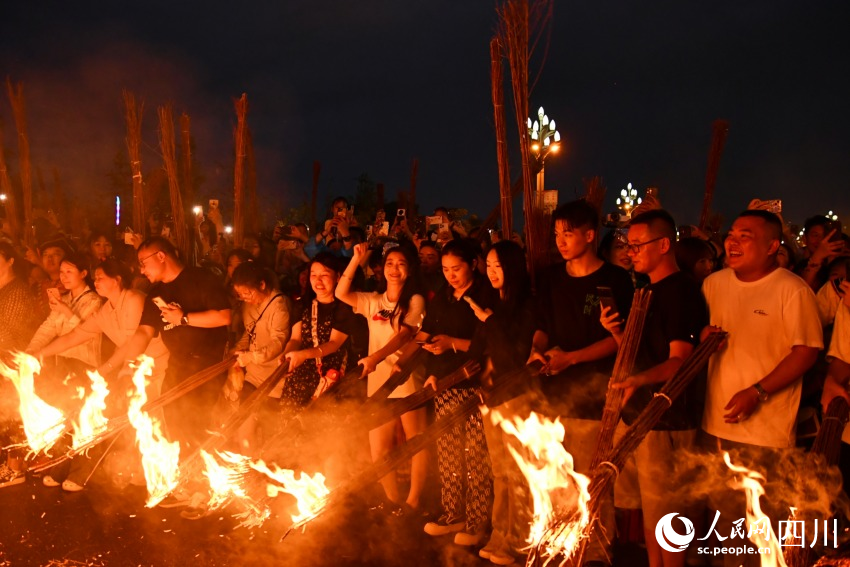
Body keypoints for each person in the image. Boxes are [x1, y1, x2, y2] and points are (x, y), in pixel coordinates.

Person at [700, 209, 822, 566]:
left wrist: (758, 391)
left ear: (772, 246)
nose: (732, 241)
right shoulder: (713, 284)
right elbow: (703, 336)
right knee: (724, 530)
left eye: (745, 235)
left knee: (761, 531)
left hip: (765, 434)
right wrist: (705, 338)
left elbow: (806, 353)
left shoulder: (792, 290)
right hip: (715, 425)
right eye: (732, 234)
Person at [526, 199, 634, 567]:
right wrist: (537, 351)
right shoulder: (552, 277)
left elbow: (619, 338)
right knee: (556, 478)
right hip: (552, 392)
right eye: (556, 233)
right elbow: (543, 325)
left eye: (567, 233)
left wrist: (571, 358)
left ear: (590, 235)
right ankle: (561, 546)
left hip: (594, 396)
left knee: (592, 481)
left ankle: (597, 554)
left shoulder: (616, 280)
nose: (560, 240)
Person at [600, 210, 708, 567]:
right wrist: (616, 331)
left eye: (637, 245)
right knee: (650, 513)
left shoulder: (681, 292)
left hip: (667, 419)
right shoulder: (645, 290)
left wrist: (637, 380)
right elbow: (640, 352)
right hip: (640, 416)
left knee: (667, 520)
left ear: (664, 244)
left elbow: (680, 361)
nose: (631, 253)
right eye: (627, 246)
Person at [32, 259, 169, 492]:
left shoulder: (135, 300)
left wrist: (105, 370)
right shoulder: (107, 310)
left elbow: (134, 344)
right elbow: (75, 336)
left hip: (153, 368)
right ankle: (142, 472)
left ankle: (162, 475)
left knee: (152, 421)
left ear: (117, 280)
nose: (96, 282)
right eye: (94, 278)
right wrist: (38, 354)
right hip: (130, 371)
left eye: (100, 277)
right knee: (124, 418)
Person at [335, 241, 426, 513]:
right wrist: (356, 259)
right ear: (382, 268)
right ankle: (393, 501)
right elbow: (341, 292)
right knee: (379, 449)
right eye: (389, 264)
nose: (394, 269)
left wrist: (376, 357)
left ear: (409, 270)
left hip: (406, 380)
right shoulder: (373, 300)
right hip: (378, 383)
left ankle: (414, 501)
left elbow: (406, 334)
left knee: (416, 441)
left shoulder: (414, 300)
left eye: (401, 264)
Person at [417, 239, 496, 546]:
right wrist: (431, 372)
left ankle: (478, 522)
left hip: (475, 382)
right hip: (446, 382)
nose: (451, 275)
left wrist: (452, 342)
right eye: (446, 269)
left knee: (475, 455)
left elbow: (485, 343)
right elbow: (429, 336)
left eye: (457, 268)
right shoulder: (444, 298)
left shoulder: (484, 296)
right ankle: (453, 514)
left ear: (472, 265)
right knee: (449, 453)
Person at [121, 237, 231, 451]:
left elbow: (224, 316)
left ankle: (203, 475)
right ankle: (182, 474)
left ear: (161, 256)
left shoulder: (201, 278)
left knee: (198, 427)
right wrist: (127, 368)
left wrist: (184, 318)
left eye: (143, 263)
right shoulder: (155, 293)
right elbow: (144, 331)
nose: (142, 271)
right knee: (173, 424)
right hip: (177, 367)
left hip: (207, 367)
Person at [467, 240, 536, 565]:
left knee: (518, 472)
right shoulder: (490, 301)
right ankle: (499, 535)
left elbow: (515, 358)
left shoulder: (526, 305)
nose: (493, 272)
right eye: (489, 266)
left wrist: (490, 320)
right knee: (500, 473)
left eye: (499, 266)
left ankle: (517, 540)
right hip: (491, 398)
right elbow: (479, 352)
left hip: (518, 397)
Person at [227, 262, 292, 453]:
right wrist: (238, 349)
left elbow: (278, 341)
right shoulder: (248, 306)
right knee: (244, 428)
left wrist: (251, 357)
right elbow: (250, 332)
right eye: (241, 295)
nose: (245, 298)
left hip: (275, 380)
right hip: (253, 377)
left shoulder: (279, 306)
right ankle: (247, 470)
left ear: (262, 285)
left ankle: (266, 472)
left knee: (269, 434)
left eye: (248, 293)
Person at [0, 242, 44, 490]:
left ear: (10, 260)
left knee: (11, 416)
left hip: (13, 362)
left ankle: (16, 469)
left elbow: (7, 334)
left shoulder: (16, 291)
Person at [27, 252, 103, 374]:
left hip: (84, 368)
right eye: (61, 272)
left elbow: (84, 335)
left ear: (83, 273)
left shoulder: (94, 301)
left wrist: (65, 310)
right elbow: (48, 328)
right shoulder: (64, 299)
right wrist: (30, 351)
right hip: (62, 365)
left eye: (69, 272)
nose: (64, 276)